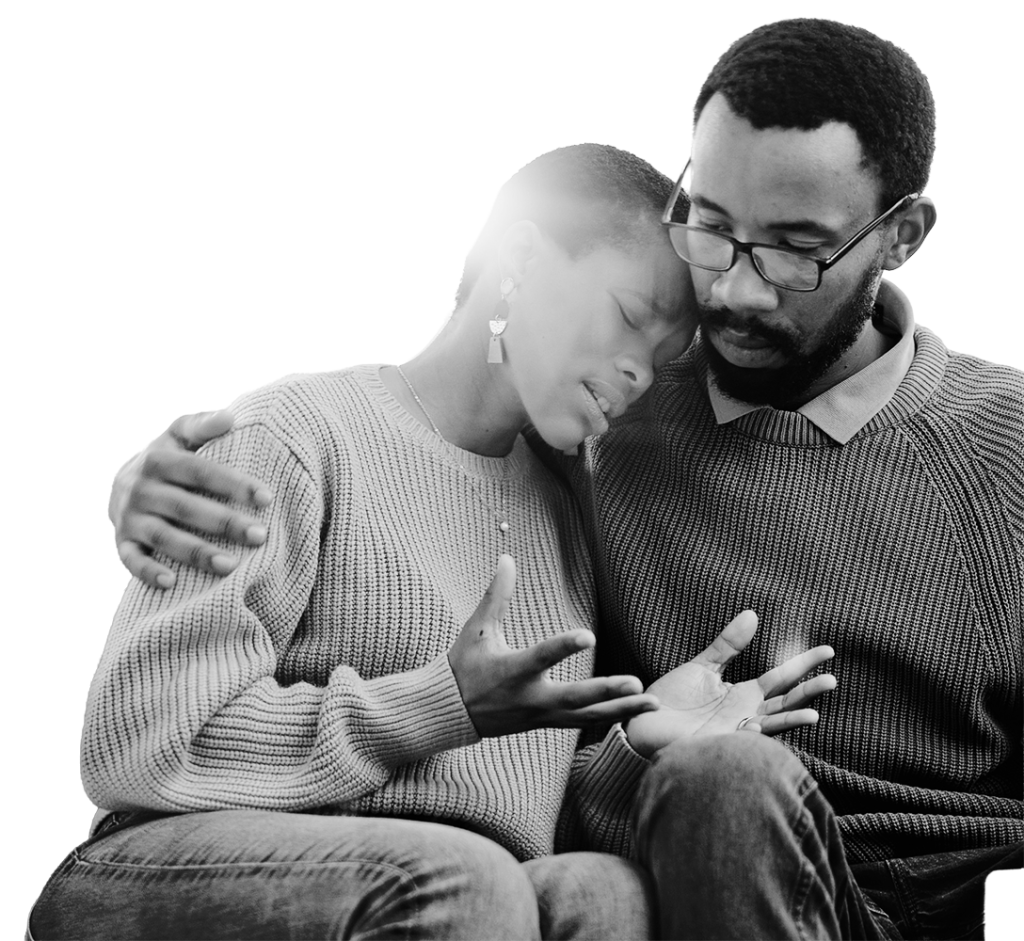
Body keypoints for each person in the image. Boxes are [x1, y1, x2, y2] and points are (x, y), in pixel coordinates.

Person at [89, 17, 1024, 941]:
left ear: (901, 235)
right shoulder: (584, 439)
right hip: (600, 861)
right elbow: (407, 429)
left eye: (794, 246)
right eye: (711, 226)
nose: (734, 291)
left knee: (627, 864)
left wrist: (632, 743)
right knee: (637, 829)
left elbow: (528, 782)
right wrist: (150, 483)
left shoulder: (1002, 444)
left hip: (926, 903)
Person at [30, 142, 836, 940]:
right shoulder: (294, 432)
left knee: (606, 893)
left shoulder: (563, 514)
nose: (639, 373)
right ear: (519, 257)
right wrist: (436, 704)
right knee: (469, 879)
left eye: (662, 357)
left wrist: (634, 740)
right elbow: (140, 743)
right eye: (628, 315)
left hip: (452, 895)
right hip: (169, 866)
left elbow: (510, 804)